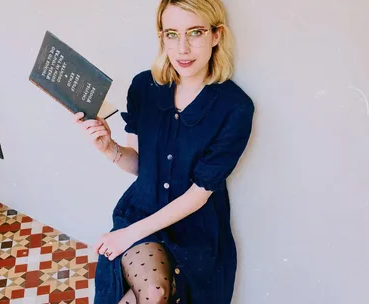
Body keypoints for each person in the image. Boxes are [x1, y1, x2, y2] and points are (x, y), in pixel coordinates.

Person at [74, 0, 255, 303]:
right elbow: (140, 165)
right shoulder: (144, 86)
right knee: (154, 291)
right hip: (143, 209)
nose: (182, 48)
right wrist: (110, 148)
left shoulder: (235, 107)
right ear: (162, 37)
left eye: (195, 33)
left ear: (216, 35)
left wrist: (127, 235)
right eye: (171, 34)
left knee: (153, 293)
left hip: (195, 228)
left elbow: (200, 194)